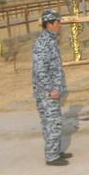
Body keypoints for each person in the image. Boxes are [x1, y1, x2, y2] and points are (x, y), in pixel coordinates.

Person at [32, 9, 70, 166]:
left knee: (54, 122)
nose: (60, 25)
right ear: (50, 24)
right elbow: (40, 70)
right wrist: (51, 89)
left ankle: (56, 151)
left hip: (52, 89)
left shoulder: (51, 39)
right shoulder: (43, 42)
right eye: (58, 22)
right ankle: (51, 156)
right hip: (47, 92)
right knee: (51, 122)